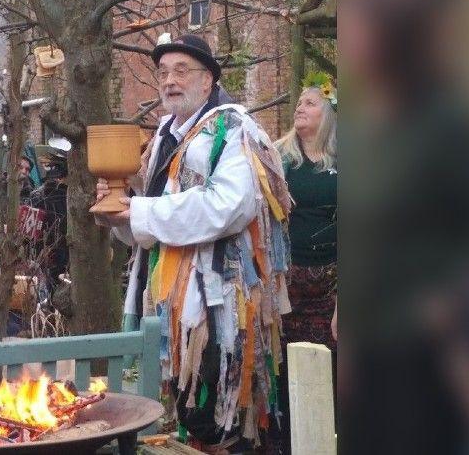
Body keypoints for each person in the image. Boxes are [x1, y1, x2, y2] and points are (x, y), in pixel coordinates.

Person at [94, 34, 292, 452]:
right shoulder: (164, 135)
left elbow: (228, 207)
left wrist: (141, 212)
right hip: (166, 308)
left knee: (221, 414)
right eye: (163, 73)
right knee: (181, 414)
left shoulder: (234, 130)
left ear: (208, 81)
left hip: (218, 306)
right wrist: (121, 216)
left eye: (182, 71)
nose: (169, 81)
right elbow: (149, 228)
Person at [272, 80, 338, 452]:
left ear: (327, 115)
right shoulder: (277, 159)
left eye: (310, 103)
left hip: (331, 288)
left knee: (331, 369)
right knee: (281, 370)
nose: (300, 107)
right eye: (298, 102)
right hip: (284, 287)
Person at [29, 139, 70, 291]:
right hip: (63, 258)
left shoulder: (37, 196)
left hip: (48, 258)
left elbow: (30, 235)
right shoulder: (74, 196)